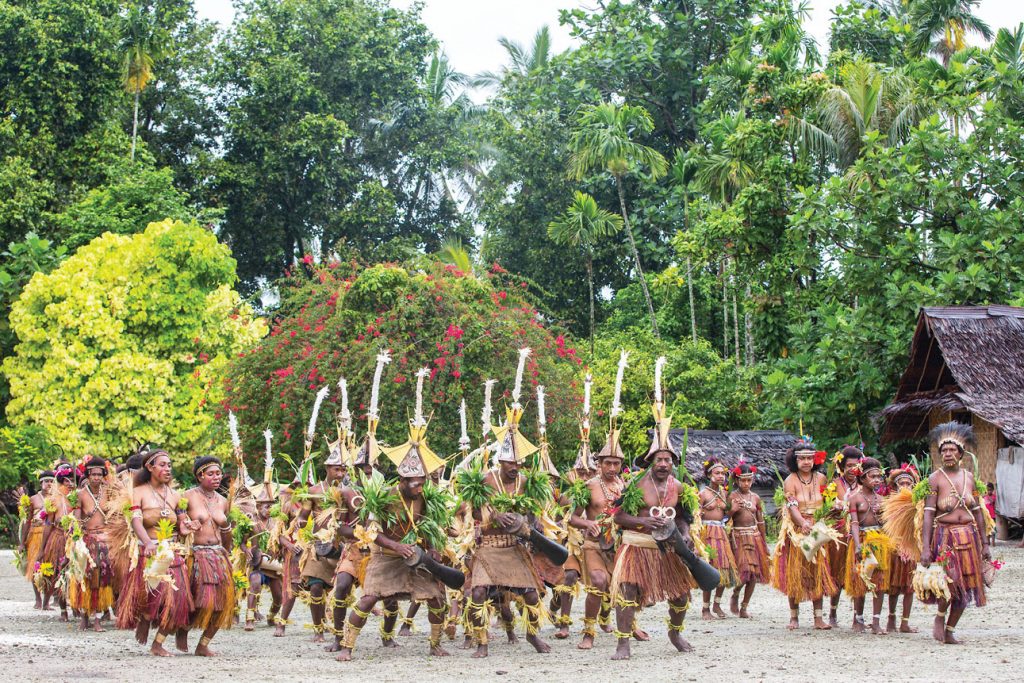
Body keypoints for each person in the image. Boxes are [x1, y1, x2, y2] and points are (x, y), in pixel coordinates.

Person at [336, 386, 453, 662]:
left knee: (436, 598)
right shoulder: (385, 498)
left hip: (415, 558)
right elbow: (371, 531)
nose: (418, 486)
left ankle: (435, 644)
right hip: (386, 557)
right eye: (413, 482)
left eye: (422, 482)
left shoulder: (426, 498)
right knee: (367, 599)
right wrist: (395, 546)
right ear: (400, 481)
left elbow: (432, 527)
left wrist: (434, 549)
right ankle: (346, 646)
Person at [464, 402, 552, 658]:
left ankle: (533, 635)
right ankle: (482, 642)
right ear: (501, 459)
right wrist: (493, 514)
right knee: (478, 593)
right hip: (489, 548)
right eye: (511, 462)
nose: (516, 466)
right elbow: (472, 508)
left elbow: (535, 512)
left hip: (515, 548)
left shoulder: (527, 482)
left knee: (532, 596)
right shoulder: (484, 480)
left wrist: (530, 527)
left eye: (519, 462)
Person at [609, 405, 697, 661]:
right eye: (658, 459)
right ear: (650, 461)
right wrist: (644, 522)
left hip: (667, 548)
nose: (663, 463)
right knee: (627, 592)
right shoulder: (636, 484)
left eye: (667, 459)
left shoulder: (679, 487)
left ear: (673, 463)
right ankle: (623, 643)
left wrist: (686, 533)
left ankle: (675, 634)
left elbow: (683, 518)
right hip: (636, 546)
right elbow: (618, 517)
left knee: (681, 594)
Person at [115, 447, 196, 657]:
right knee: (151, 599)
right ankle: (145, 616)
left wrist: (188, 527)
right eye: (162, 465)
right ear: (150, 467)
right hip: (148, 552)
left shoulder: (176, 496)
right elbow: (136, 521)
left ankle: (158, 643)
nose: (167, 469)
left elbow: (181, 524)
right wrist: (147, 542)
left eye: (169, 465)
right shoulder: (138, 492)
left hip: (171, 551)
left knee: (178, 602)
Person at [921, 422, 990, 644]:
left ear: (961, 454)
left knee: (967, 588)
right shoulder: (935, 478)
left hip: (968, 537)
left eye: (952, 450)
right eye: (944, 451)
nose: (948, 454)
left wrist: (985, 543)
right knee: (949, 583)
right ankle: (940, 617)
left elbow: (979, 512)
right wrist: (925, 547)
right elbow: (928, 515)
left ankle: (950, 629)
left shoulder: (970, 478)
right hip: (946, 537)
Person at [770, 441, 838, 630]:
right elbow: (791, 506)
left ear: (814, 459)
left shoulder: (822, 478)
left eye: (809, 458)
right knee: (796, 571)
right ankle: (794, 617)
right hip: (798, 530)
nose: (806, 462)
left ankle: (818, 618)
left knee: (818, 571)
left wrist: (834, 509)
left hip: (818, 528)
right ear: (795, 460)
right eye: (802, 458)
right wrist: (802, 523)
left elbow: (828, 502)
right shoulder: (790, 480)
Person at [566, 427, 623, 650]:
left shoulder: (625, 486)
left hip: (616, 546)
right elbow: (571, 517)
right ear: (599, 463)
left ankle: (627, 625)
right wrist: (588, 523)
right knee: (598, 583)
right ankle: (588, 632)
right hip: (593, 545)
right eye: (607, 463)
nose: (611, 468)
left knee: (623, 586)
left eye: (616, 463)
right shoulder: (589, 486)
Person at [182, 456, 236, 656]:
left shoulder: (223, 501)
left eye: (218, 473)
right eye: (211, 474)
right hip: (196, 555)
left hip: (218, 555)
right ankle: (183, 629)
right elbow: (177, 524)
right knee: (199, 601)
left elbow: (227, 534)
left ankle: (203, 645)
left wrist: (228, 546)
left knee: (224, 603)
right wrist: (187, 526)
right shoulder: (187, 496)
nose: (216, 477)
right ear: (200, 476)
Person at [845, 457, 890, 634]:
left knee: (879, 581)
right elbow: (854, 523)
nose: (877, 480)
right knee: (860, 580)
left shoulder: (882, 499)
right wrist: (857, 545)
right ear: (862, 478)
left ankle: (876, 622)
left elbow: (887, 525)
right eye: (873, 476)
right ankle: (858, 619)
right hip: (862, 539)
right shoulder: (855, 499)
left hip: (879, 541)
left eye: (879, 477)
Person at [70, 456, 115, 632]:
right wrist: (76, 538)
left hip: (105, 540)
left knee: (102, 578)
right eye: (92, 474)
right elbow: (76, 519)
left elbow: (114, 517)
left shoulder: (110, 492)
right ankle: (83, 615)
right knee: (85, 576)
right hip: (87, 540)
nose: (96, 477)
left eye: (99, 474)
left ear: (104, 474)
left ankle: (97, 619)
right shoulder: (79, 495)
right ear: (87, 475)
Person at [826, 445, 862, 627]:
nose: (852, 469)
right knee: (838, 574)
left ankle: (858, 616)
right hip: (839, 534)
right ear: (842, 466)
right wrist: (836, 506)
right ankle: (832, 613)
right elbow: (826, 508)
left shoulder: (863, 484)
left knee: (858, 574)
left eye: (855, 465)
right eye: (848, 466)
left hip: (859, 535)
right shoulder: (834, 485)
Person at [698, 456, 737, 620]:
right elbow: (696, 517)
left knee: (724, 569)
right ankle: (705, 609)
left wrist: (732, 510)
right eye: (717, 473)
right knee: (710, 570)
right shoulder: (702, 494)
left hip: (721, 533)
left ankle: (717, 604)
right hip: (708, 533)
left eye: (723, 473)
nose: (721, 476)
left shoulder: (724, 493)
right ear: (709, 475)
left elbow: (726, 515)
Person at [728, 462, 769, 618]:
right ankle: (736, 592)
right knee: (744, 571)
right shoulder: (732, 496)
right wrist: (733, 510)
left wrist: (764, 543)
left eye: (749, 480)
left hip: (754, 537)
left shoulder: (756, 498)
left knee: (754, 573)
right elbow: (726, 518)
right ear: (737, 480)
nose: (746, 483)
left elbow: (760, 521)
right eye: (742, 480)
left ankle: (744, 607)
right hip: (739, 537)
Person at [882, 464, 919, 634]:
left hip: (911, 547)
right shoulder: (889, 502)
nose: (904, 486)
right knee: (893, 586)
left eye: (907, 483)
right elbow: (885, 527)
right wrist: (896, 545)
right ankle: (891, 618)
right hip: (893, 547)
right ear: (895, 485)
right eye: (901, 483)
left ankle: (905, 622)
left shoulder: (917, 502)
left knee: (910, 587)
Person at [37, 463, 76, 622]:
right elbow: (48, 525)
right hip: (58, 539)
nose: (68, 483)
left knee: (77, 573)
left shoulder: (78, 497)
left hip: (75, 539)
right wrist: (42, 548)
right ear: (60, 481)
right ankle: (63, 610)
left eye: (71, 480)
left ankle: (77, 606)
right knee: (59, 574)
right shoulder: (53, 500)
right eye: (65, 480)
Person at [19, 470, 54, 610]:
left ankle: (46, 601)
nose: (49, 484)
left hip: (51, 535)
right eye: (47, 481)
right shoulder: (33, 499)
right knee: (35, 567)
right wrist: (22, 542)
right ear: (41, 483)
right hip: (35, 534)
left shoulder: (57, 498)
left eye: (52, 481)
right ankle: (38, 599)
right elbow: (26, 521)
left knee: (51, 568)